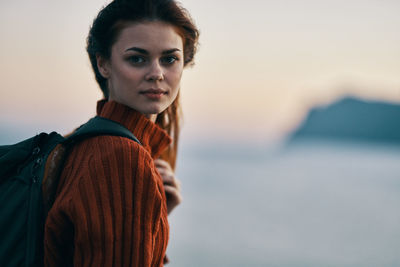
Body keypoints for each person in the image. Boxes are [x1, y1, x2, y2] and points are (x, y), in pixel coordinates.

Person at [43, 0, 199, 266]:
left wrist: (154, 218)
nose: (156, 73)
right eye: (137, 58)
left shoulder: (83, 141)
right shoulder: (121, 158)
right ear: (103, 64)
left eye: (170, 59)